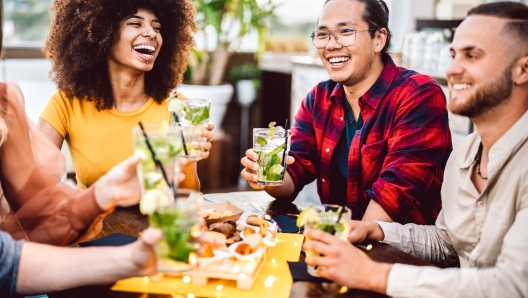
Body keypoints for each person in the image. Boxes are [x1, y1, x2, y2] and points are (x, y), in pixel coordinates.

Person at [302, 2, 528, 297]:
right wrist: (374, 230)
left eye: (471, 55)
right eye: (453, 55)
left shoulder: (417, 95)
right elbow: (448, 243)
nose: (452, 69)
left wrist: (373, 273)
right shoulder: (467, 154)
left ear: (523, 69)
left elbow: (513, 286)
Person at [240, 0, 452, 224]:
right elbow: (295, 171)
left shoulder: (418, 94)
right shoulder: (318, 99)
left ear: (378, 39)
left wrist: (341, 244)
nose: (331, 45)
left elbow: (395, 197)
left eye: (346, 31)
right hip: (340, 242)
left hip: (402, 253)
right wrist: (269, 176)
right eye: (323, 34)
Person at [37, 0, 213, 192]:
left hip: (156, 220)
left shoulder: (178, 107)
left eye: (157, 28)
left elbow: (189, 194)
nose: (151, 33)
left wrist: (185, 157)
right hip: (91, 221)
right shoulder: (65, 104)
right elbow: (36, 183)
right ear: (103, 32)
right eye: (136, 24)